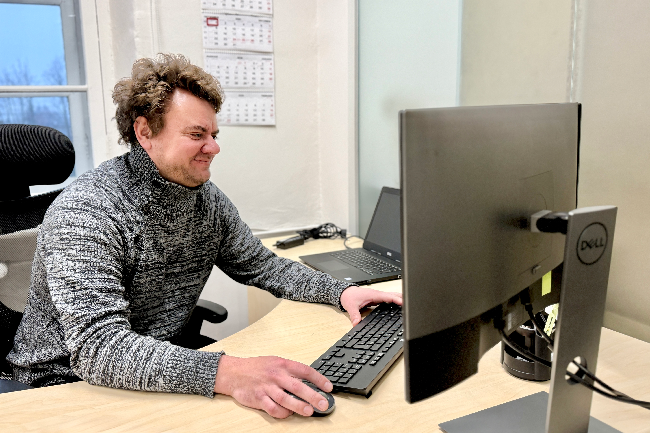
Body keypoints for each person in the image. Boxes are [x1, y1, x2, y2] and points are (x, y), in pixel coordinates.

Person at [7, 54, 401, 419]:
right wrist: (228, 372)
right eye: (197, 134)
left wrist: (341, 292)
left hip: (158, 365)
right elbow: (99, 349)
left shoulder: (205, 199)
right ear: (144, 132)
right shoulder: (88, 210)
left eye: (213, 133)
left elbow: (262, 266)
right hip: (63, 384)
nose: (213, 147)